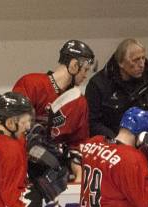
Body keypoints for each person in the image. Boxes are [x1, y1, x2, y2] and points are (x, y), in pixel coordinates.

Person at [13, 40, 96, 180]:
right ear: (74, 66)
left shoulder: (79, 102)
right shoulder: (31, 83)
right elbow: (13, 127)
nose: (86, 75)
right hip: (22, 163)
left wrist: (79, 174)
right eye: (85, 70)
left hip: (55, 171)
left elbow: (77, 145)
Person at [86, 38, 148, 139]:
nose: (142, 64)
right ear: (121, 63)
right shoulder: (98, 84)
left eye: (143, 58)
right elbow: (92, 123)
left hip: (145, 141)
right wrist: (117, 140)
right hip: (111, 142)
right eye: (136, 60)